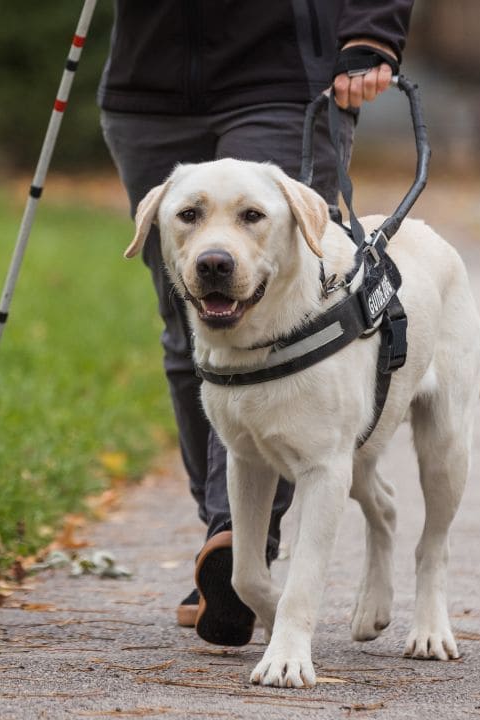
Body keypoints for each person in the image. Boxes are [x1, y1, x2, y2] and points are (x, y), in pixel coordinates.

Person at [99, 0, 413, 646]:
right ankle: (231, 546)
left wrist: (371, 29)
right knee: (190, 324)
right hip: (148, 80)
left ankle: (234, 546)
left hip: (283, 73)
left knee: (276, 318)